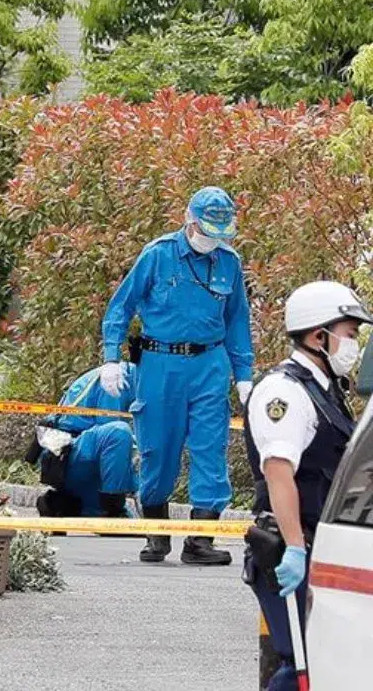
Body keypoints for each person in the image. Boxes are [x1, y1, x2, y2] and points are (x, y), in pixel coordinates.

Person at [99, 186, 254, 565]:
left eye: (220, 234)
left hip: (209, 364)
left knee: (210, 448)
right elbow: (122, 306)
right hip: (160, 363)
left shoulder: (229, 262)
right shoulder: (158, 255)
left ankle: (201, 541)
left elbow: (237, 321)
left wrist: (245, 375)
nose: (212, 241)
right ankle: (156, 534)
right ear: (190, 221)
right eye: (207, 232)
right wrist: (110, 357)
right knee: (157, 448)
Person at [244, 281, 367, 691]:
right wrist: (296, 549)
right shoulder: (285, 391)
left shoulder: (325, 390)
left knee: (321, 663)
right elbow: (279, 473)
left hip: (320, 543)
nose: (353, 344)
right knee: (302, 666)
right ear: (319, 335)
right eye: (349, 333)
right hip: (289, 546)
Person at [31, 364, 139, 519]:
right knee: (119, 433)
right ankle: (113, 510)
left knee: (99, 513)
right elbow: (117, 444)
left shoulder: (132, 379)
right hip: (65, 456)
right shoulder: (115, 380)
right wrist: (137, 488)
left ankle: (60, 505)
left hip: (74, 457)